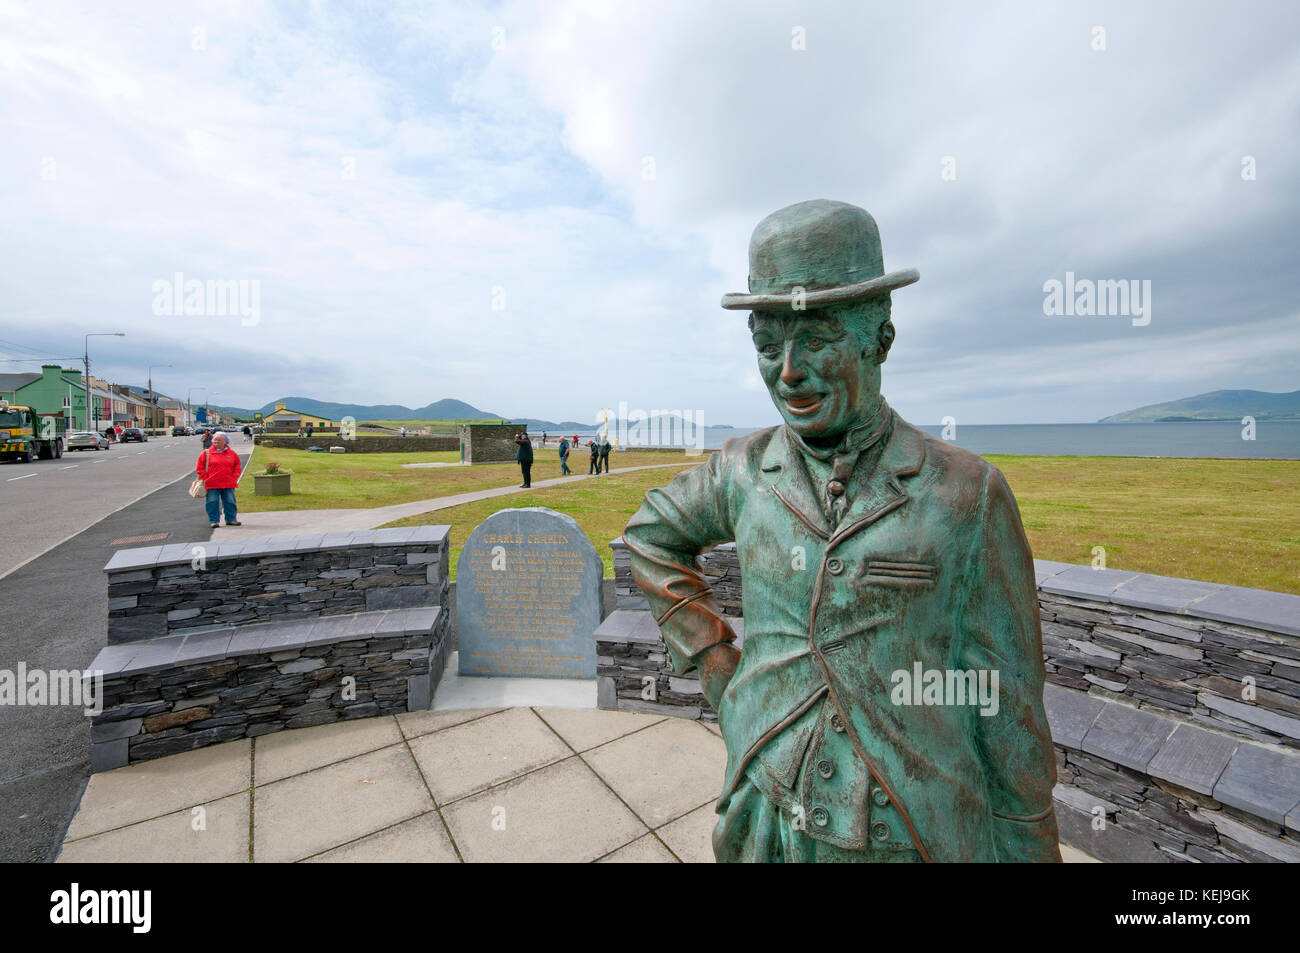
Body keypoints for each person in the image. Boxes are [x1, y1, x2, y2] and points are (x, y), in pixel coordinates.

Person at [624, 200, 1059, 863]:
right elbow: (652, 535)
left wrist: (1028, 841)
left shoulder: (967, 494)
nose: (788, 370)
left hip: (914, 834)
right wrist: (721, 670)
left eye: (816, 339)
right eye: (768, 346)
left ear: (879, 338)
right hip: (768, 821)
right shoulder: (741, 470)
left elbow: (1006, 701)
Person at [196, 430, 242, 528]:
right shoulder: (206, 453)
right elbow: (199, 468)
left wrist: (234, 477)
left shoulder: (232, 453)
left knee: (230, 502)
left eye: (219, 440)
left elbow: (237, 466)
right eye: (215, 440)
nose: (216, 442)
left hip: (228, 483)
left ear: (225, 441)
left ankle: (231, 519)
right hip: (212, 484)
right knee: (212, 502)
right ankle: (214, 521)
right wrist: (206, 478)